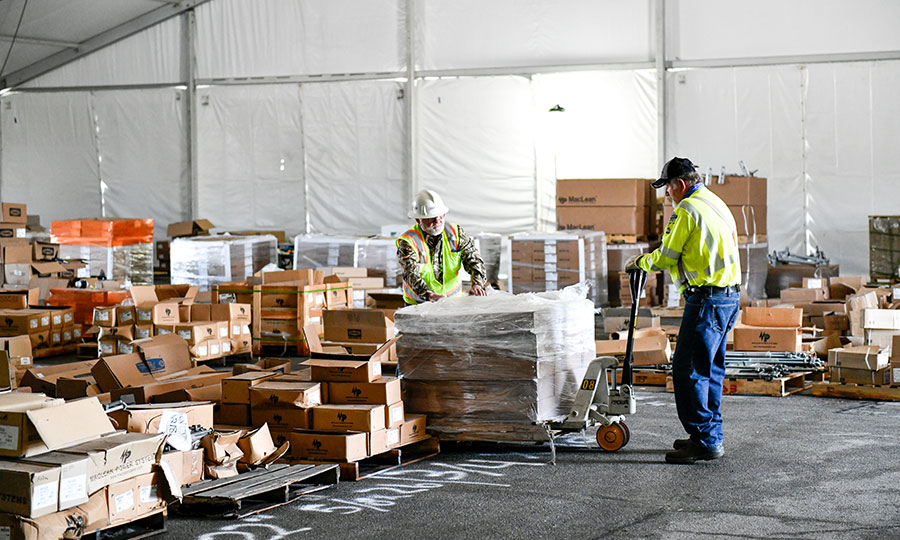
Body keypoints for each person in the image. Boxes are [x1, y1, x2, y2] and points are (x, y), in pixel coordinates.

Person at [625, 157, 741, 464]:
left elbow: (666, 256)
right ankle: (708, 435)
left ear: (680, 184)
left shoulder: (687, 210)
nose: (667, 196)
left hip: (707, 300)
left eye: (668, 189)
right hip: (728, 299)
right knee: (709, 369)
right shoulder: (715, 202)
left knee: (687, 370)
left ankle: (704, 439)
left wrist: (639, 263)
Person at [396, 189, 488, 304]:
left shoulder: (456, 233)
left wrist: (477, 284)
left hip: (453, 303)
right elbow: (411, 274)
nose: (437, 221)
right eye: (431, 218)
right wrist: (429, 295)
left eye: (440, 216)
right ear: (418, 220)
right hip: (419, 306)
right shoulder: (409, 242)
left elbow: (474, 260)